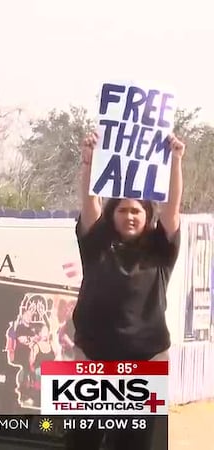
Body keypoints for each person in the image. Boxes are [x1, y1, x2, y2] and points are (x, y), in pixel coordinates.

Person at [65, 132, 184, 450]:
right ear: (112, 214)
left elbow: (172, 209)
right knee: (81, 440)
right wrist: (89, 162)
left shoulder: (161, 251)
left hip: (147, 359)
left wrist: (175, 160)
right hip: (92, 355)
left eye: (137, 211)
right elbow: (90, 204)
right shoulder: (96, 245)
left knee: (134, 443)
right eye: (122, 210)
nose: (130, 216)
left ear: (147, 217)